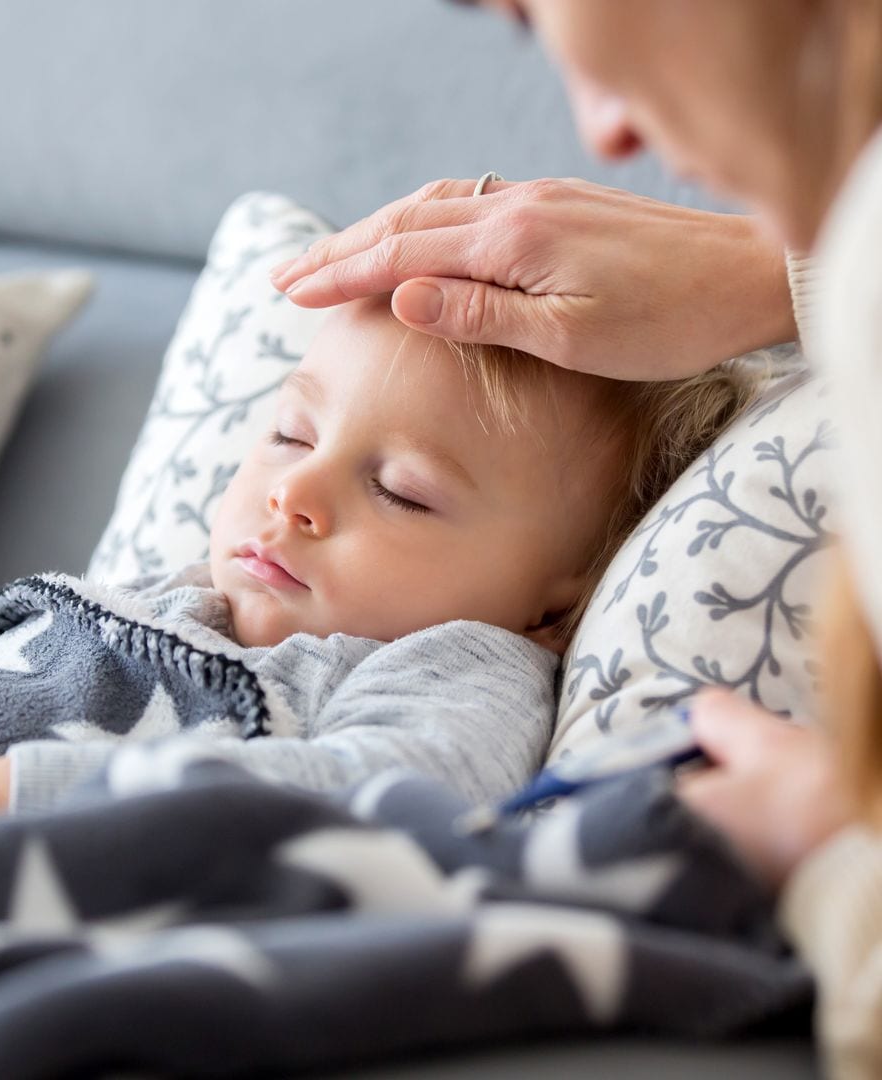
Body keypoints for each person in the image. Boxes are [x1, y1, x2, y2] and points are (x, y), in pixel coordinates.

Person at [271, 2, 882, 1077]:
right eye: (285, 432)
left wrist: (834, 860)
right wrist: (776, 272)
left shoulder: (449, 696)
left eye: (531, 8)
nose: (604, 132)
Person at [0, 292, 750, 831]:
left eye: (404, 491)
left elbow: (394, 797)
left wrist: (11, 793)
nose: (294, 494)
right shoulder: (163, 597)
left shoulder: (449, 666)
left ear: (552, 607)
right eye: (292, 436)